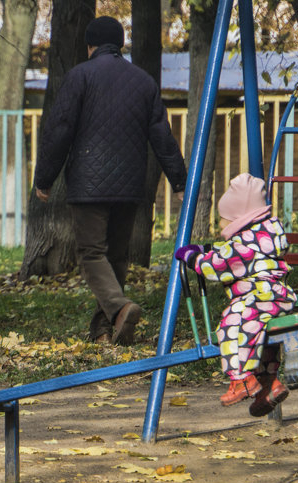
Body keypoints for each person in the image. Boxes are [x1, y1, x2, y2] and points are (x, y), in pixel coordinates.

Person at [32, 15, 188, 345]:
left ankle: (119, 308)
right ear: (120, 45)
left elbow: (59, 132)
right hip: (130, 187)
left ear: (90, 46)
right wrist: (178, 180)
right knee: (116, 256)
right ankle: (104, 332)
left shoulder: (79, 77)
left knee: (91, 254)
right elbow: (162, 135)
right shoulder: (143, 81)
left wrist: (44, 179)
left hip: (88, 186)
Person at [174, 173, 296, 416]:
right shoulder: (263, 237)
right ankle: (268, 383)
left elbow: (217, 266)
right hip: (274, 298)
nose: (220, 226)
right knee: (256, 332)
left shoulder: (243, 246)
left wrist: (192, 257)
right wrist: (208, 250)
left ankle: (240, 379)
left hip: (257, 297)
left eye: (223, 219)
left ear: (239, 218)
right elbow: (230, 254)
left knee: (231, 325)